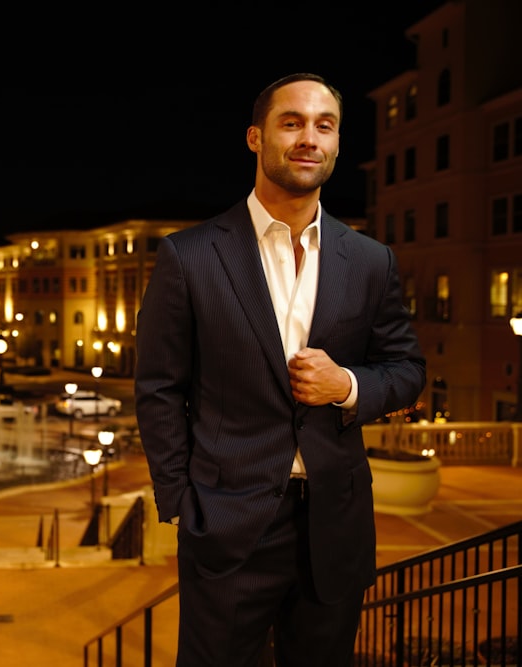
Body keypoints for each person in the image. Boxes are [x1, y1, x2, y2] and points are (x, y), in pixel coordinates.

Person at [134, 73, 426, 666]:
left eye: (324, 126)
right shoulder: (189, 255)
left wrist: (346, 385)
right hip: (228, 525)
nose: (308, 139)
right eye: (291, 123)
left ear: (338, 144)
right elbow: (159, 389)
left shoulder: (371, 260)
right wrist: (181, 502)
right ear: (255, 138)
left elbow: (408, 368)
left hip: (335, 527)